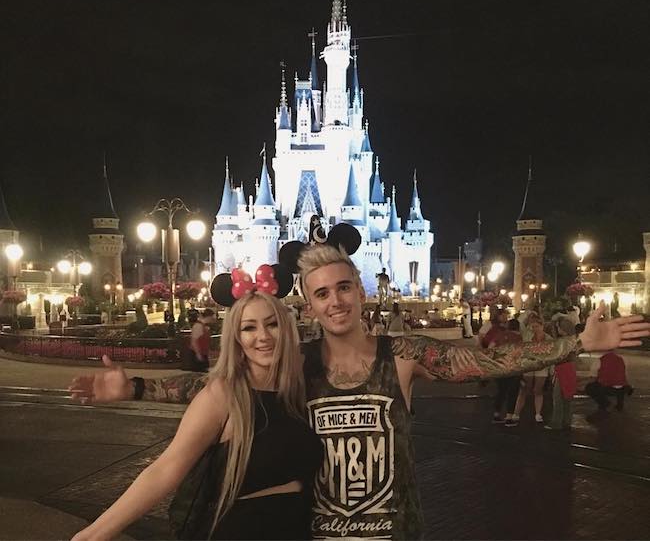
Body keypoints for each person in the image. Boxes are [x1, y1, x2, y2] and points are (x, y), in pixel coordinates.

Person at [70, 245, 650, 540]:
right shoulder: (302, 367)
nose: (336, 301)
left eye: (344, 287)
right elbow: (219, 388)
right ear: (311, 304)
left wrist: (574, 341)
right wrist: (137, 385)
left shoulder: (403, 357)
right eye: (322, 294)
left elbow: (484, 360)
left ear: (361, 290)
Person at [71, 288, 323, 541]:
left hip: (296, 530)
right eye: (249, 328)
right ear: (235, 338)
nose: (263, 336)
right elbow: (165, 469)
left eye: (272, 324)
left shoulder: (296, 389)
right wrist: (94, 534)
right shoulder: (224, 395)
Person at [483, 309, 522, 425]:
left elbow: (490, 347)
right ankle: (509, 416)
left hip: (500, 366)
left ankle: (496, 414)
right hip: (513, 368)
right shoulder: (518, 338)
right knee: (512, 391)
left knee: (501, 391)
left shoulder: (500, 335)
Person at [511, 313, 552, 425]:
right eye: (533, 327)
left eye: (537, 326)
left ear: (542, 326)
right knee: (524, 389)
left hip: (541, 366)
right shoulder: (528, 336)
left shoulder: (548, 338)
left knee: (538, 390)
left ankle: (538, 413)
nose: (535, 329)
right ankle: (517, 412)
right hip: (529, 365)